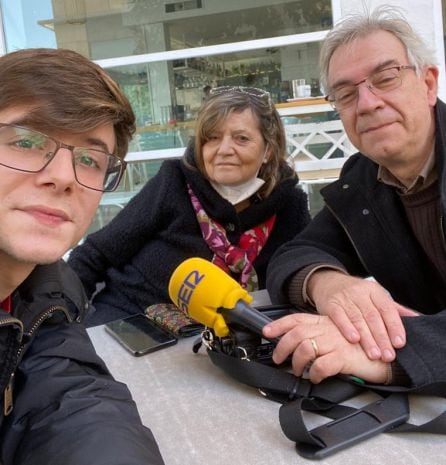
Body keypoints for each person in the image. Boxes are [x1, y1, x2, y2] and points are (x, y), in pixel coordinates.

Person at [264, 6, 446, 388]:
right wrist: (329, 285)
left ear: (428, 84)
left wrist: (386, 356)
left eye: (386, 77)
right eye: (346, 94)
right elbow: (294, 254)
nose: (366, 103)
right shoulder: (362, 179)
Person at [0, 48, 164, 465]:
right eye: (25, 141)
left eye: (89, 160)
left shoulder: (47, 288)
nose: (62, 177)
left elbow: (70, 396)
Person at [68, 85, 310, 326]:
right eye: (212, 138)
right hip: (132, 319)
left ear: (268, 149)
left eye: (242, 138)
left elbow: (305, 270)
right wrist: (61, 323)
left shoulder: (290, 205)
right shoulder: (173, 182)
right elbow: (95, 255)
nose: (224, 150)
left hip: (229, 335)